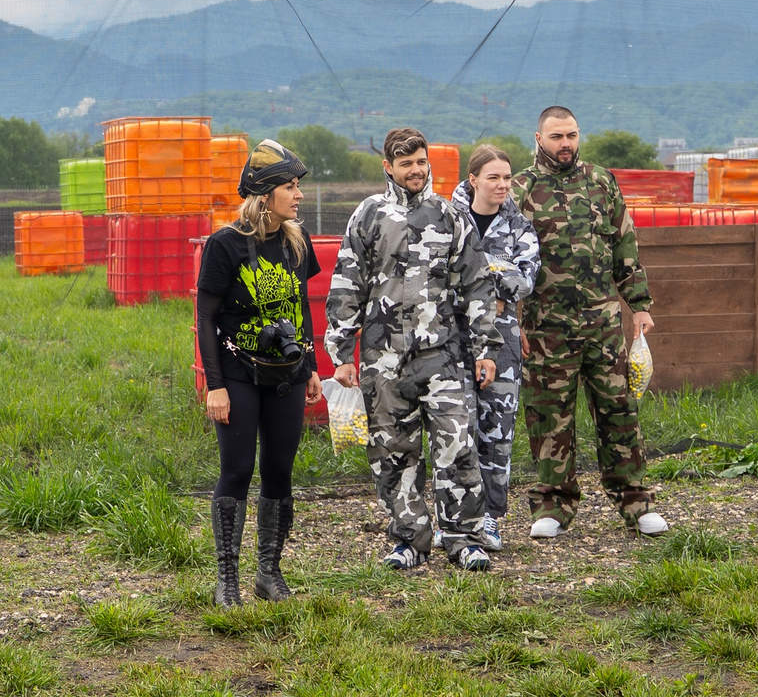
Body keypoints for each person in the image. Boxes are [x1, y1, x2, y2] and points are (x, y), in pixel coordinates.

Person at [326, 127, 498, 573]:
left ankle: (465, 539)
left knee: (457, 446)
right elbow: (347, 285)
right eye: (406, 164)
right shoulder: (367, 216)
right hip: (383, 361)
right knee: (393, 454)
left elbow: (477, 283)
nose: (416, 170)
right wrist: (341, 353)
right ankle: (410, 540)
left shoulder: (449, 216)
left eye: (421, 162)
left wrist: (485, 348)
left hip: (441, 356)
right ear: (388, 167)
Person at [515, 106, 668, 540]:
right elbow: (507, 262)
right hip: (547, 329)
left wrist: (639, 304)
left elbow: (624, 243)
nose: (566, 143)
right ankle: (553, 505)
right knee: (549, 418)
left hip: (602, 324)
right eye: (557, 136)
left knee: (620, 411)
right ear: (539, 138)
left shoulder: (601, 181)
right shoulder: (523, 189)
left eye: (572, 135)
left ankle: (635, 501)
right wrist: (514, 322)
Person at [197, 139, 324, 605]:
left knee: (278, 470)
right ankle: (226, 581)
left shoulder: (296, 241)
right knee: (237, 470)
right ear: (264, 193)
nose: (299, 195)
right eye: (291, 187)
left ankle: (268, 574)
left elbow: (300, 308)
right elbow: (205, 316)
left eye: (298, 187)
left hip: (285, 374)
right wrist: (215, 386)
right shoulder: (224, 244)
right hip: (236, 373)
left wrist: (309, 364)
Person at [452, 145, 539, 553]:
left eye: (507, 177)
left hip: (501, 340)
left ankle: (490, 515)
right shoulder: (447, 217)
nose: (503, 185)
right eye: (493, 177)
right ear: (473, 180)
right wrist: (494, 280)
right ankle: (454, 517)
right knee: (455, 427)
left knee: (497, 430)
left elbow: (525, 281)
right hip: (452, 337)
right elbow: (439, 272)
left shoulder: (519, 225)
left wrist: (477, 278)